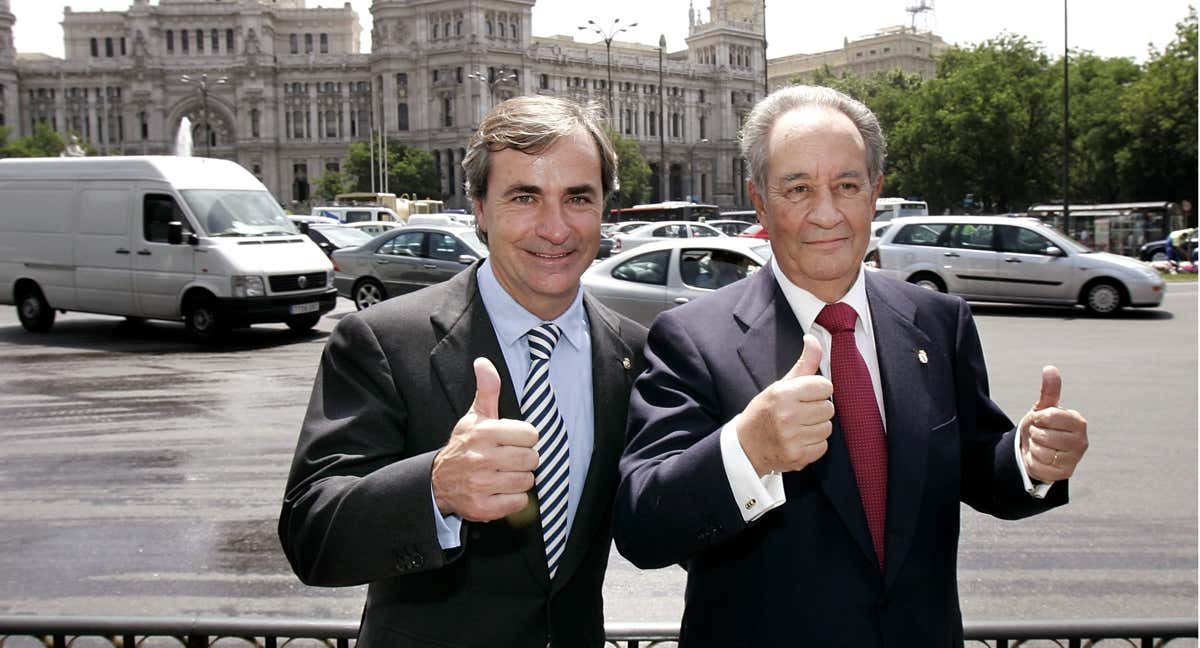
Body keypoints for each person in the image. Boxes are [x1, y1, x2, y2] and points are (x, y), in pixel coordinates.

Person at [612, 85, 1089, 646]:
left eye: (846, 186)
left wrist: (1031, 460)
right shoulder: (691, 337)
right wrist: (748, 450)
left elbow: (978, 465)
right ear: (760, 202)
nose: (826, 213)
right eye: (798, 188)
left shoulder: (938, 321)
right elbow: (644, 527)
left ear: (874, 193)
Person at [279, 95, 647, 648]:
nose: (555, 228)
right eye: (524, 197)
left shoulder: (634, 352)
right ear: (478, 206)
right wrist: (435, 488)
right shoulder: (382, 340)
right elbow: (311, 533)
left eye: (578, 198)